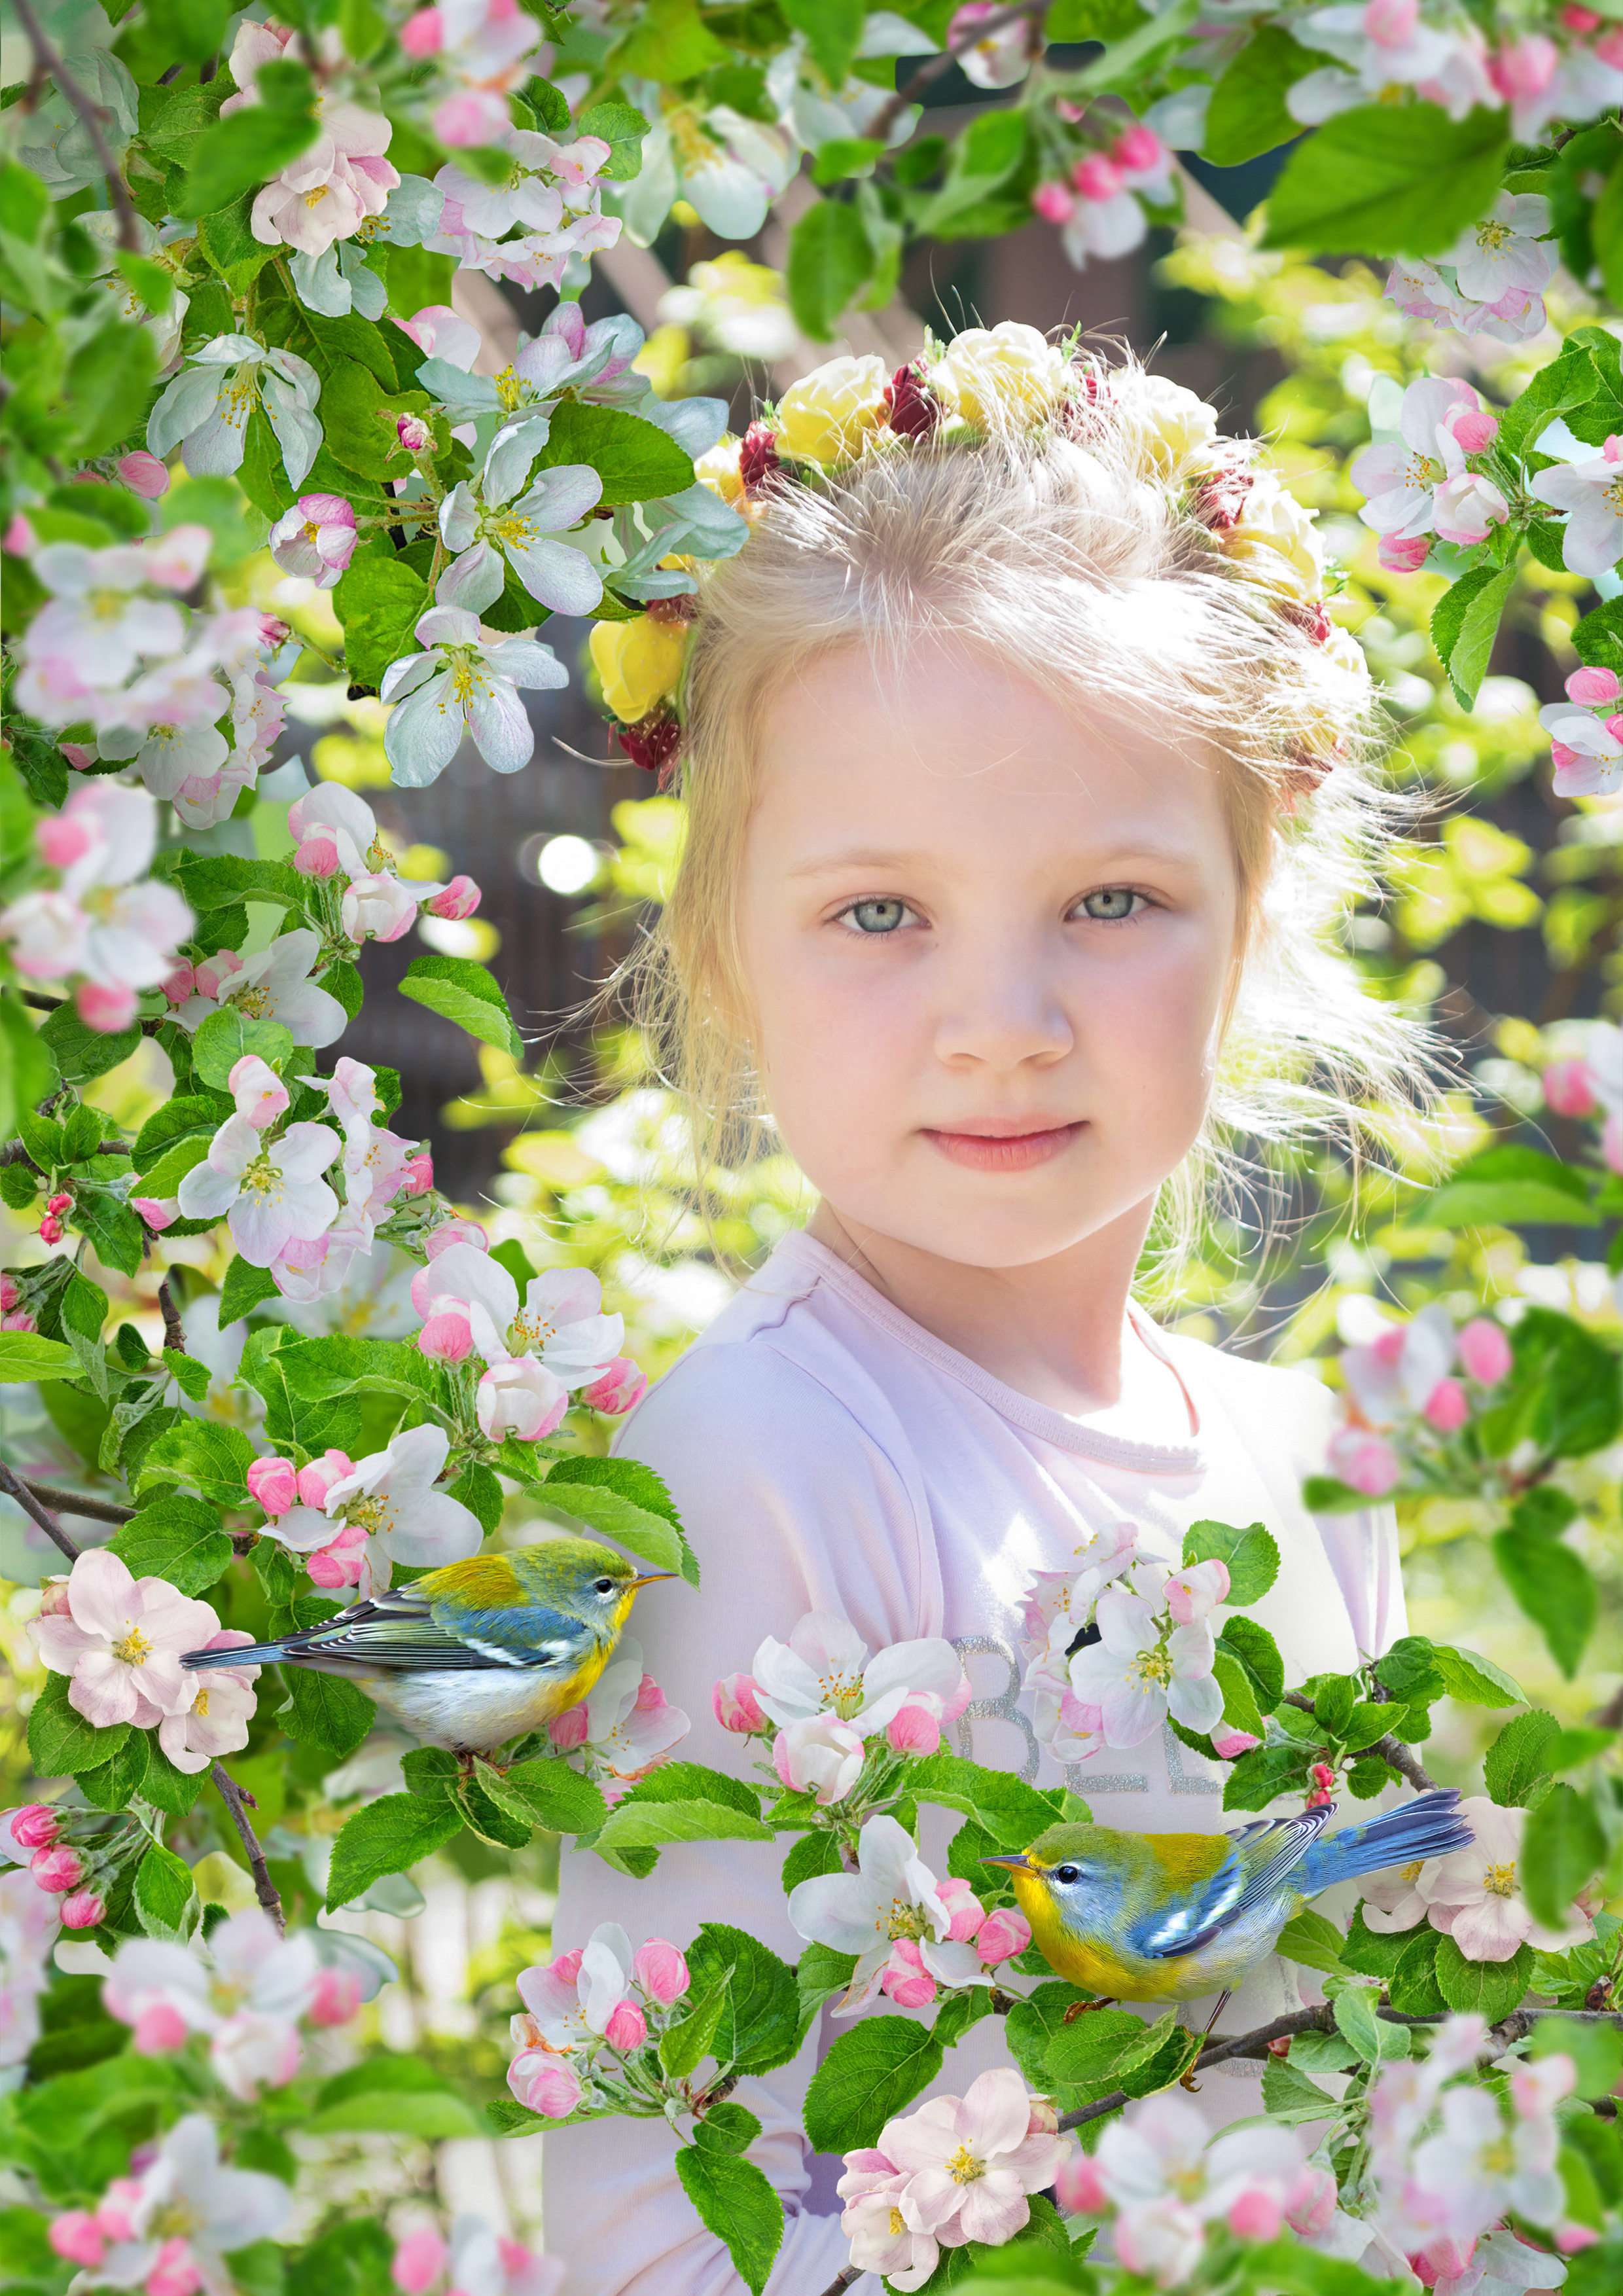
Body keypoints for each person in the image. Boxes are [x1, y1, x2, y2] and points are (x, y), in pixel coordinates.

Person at [543, 327, 1422, 2292]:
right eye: (882, 914)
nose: (1003, 1026)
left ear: (1253, 910)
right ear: (732, 956)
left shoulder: (1315, 1468)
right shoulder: (761, 1464)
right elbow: (657, 2225)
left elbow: (1397, 2058)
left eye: (1109, 900)